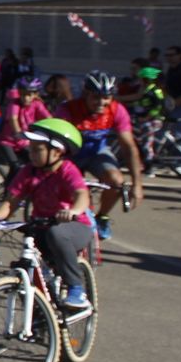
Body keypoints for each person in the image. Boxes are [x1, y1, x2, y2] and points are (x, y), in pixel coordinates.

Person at [0, 118, 95, 311]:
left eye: (37, 150)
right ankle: (40, 314)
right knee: (29, 263)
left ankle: (76, 289)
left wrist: (73, 211)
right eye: (30, 149)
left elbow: (81, 195)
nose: (31, 154)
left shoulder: (67, 170)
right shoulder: (28, 171)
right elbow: (11, 202)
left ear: (57, 152)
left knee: (58, 233)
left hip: (74, 226)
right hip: (41, 226)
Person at [57, 71, 143, 239]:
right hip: (71, 153)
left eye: (106, 97)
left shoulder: (117, 110)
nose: (101, 102)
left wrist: (137, 184)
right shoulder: (68, 109)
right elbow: (58, 144)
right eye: (96, 97)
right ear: (85, 95)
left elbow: (129, 147)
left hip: (97, 152)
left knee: (116, 181)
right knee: (71, 189)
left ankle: (102, 217)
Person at [0, 76, 50, 184]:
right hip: (7, 142)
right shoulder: (14, 104)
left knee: (35, 163)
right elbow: (13, 119)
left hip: (23, 142)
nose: (26, 98)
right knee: (15, 165)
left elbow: (48, 118)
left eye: (29, 95)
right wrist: (18, 133)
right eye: (23, 94)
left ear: (35, 95)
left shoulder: (37, 104)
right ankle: (9, 189)